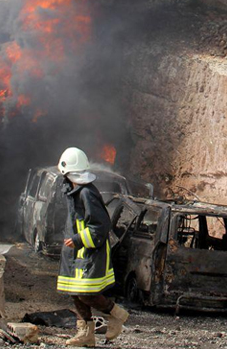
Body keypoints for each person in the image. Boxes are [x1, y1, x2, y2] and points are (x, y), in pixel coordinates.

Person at [56, 147, 130, 347]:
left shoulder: (87, 193)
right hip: (75, 251)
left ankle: (117, 314)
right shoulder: (75, 191)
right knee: (74, 291)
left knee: (86, 293)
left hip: (89, 251)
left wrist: (79, 240)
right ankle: (86, 335)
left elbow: (101, 226)